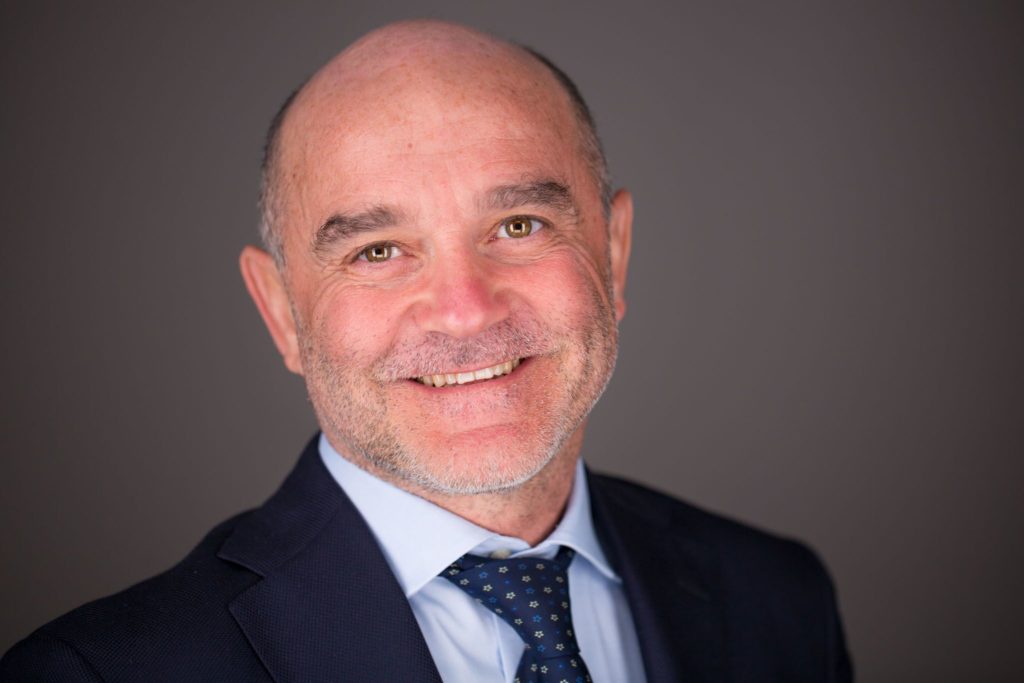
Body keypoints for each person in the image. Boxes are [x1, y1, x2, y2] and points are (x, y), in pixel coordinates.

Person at [0, 20, 852, 682]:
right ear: (282, 312)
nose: (464, 310)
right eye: (378, 250)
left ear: (615, 252)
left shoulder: (779, 600)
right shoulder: (98, 673)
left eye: (519, 225)